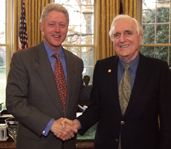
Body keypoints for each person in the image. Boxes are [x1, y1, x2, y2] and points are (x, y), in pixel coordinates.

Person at [61, 14, 171, 149]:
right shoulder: (102, 67)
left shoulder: (158, 69)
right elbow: (97, 108)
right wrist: (76, 124)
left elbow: (167, 119)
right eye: (116, 35)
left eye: (128, 33)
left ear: (140, 37)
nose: (122, 39)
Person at [6, 3, 91, 149]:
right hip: (34, 144)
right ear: (42, 27)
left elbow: (77, 93)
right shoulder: (23, 58)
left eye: (62, 25)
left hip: (67, 143)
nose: (57, 30)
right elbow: (15, 101)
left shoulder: (75, 62)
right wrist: (50, 124)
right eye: (51, 24)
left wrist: (107, 83)